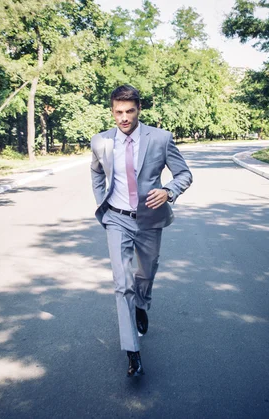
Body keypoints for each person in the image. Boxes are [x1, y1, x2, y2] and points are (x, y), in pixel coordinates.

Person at [90, 85, 193, 377]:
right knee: (122, 284)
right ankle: (132, 351)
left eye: (129, 111)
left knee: (146, 273)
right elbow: (97, 173)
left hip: (149, 218)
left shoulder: (160, 138)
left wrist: (169, 191)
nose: (123, 118)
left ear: (139, 109)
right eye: (118, 112)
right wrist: (103, 204)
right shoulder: (100, 141)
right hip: (116, 219)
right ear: (112, 111)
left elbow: (184, 173)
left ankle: (142, 304)